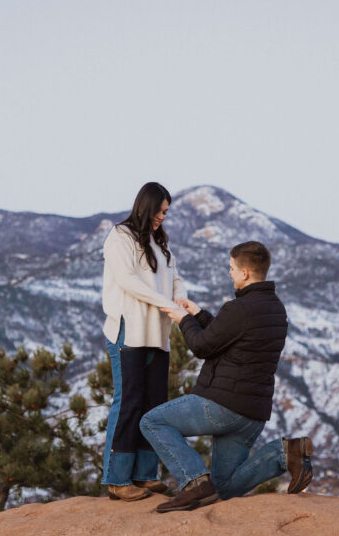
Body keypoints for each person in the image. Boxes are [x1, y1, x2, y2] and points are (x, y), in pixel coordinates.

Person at [141, 240, 314, 513]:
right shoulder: (275, 309)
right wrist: (198, 314)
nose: (230, 273)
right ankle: (285, 454)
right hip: (252, 414)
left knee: (152, 422)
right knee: (222, 489)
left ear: (245, 272)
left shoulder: (240, 308)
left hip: (222, 407)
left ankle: (194, 483)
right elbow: (230, 338)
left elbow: (201, 346)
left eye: (232, 268)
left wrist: (182, 319)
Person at [100, 182, 187, 501]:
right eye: (160, 210)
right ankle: (117, 478)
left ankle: (144, 474)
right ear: (146, 205)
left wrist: (180, 298)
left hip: (157, 333)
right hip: (129, 329)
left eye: (166, 212)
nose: (163, 217)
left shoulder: (159, 241)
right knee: (129, 401)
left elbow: (175, 277)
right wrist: (167, 304)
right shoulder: (119, 237)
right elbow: (127, 281)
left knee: (154, 404)